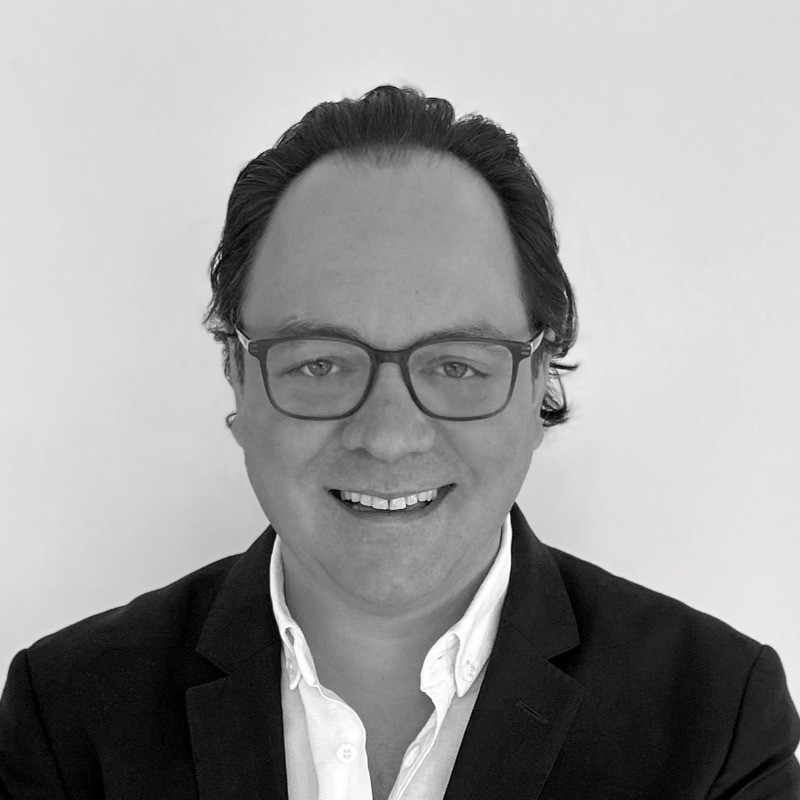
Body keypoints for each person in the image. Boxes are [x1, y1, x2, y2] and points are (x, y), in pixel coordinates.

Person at [1, 84, 797, 800]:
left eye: (456, 364)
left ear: (536, 383)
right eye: (319, 363)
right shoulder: (67, 716)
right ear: (237, 379)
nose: (387, 437)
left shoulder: (717, 722)